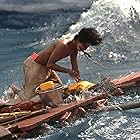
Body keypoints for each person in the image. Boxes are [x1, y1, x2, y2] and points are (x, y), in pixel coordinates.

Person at [11, 27, 102, 102]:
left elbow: (74, 64)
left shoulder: (75, 47)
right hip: (35, 65)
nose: (85, 49)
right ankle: (18, 91)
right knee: (28, 99)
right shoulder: (63, 45)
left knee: (59, 91)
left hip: (46, 68)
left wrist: (78, 77)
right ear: (78, 39)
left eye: (87, 47)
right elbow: (50, 64)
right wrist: (68, 71)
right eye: (85, 46)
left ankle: (27, 89)